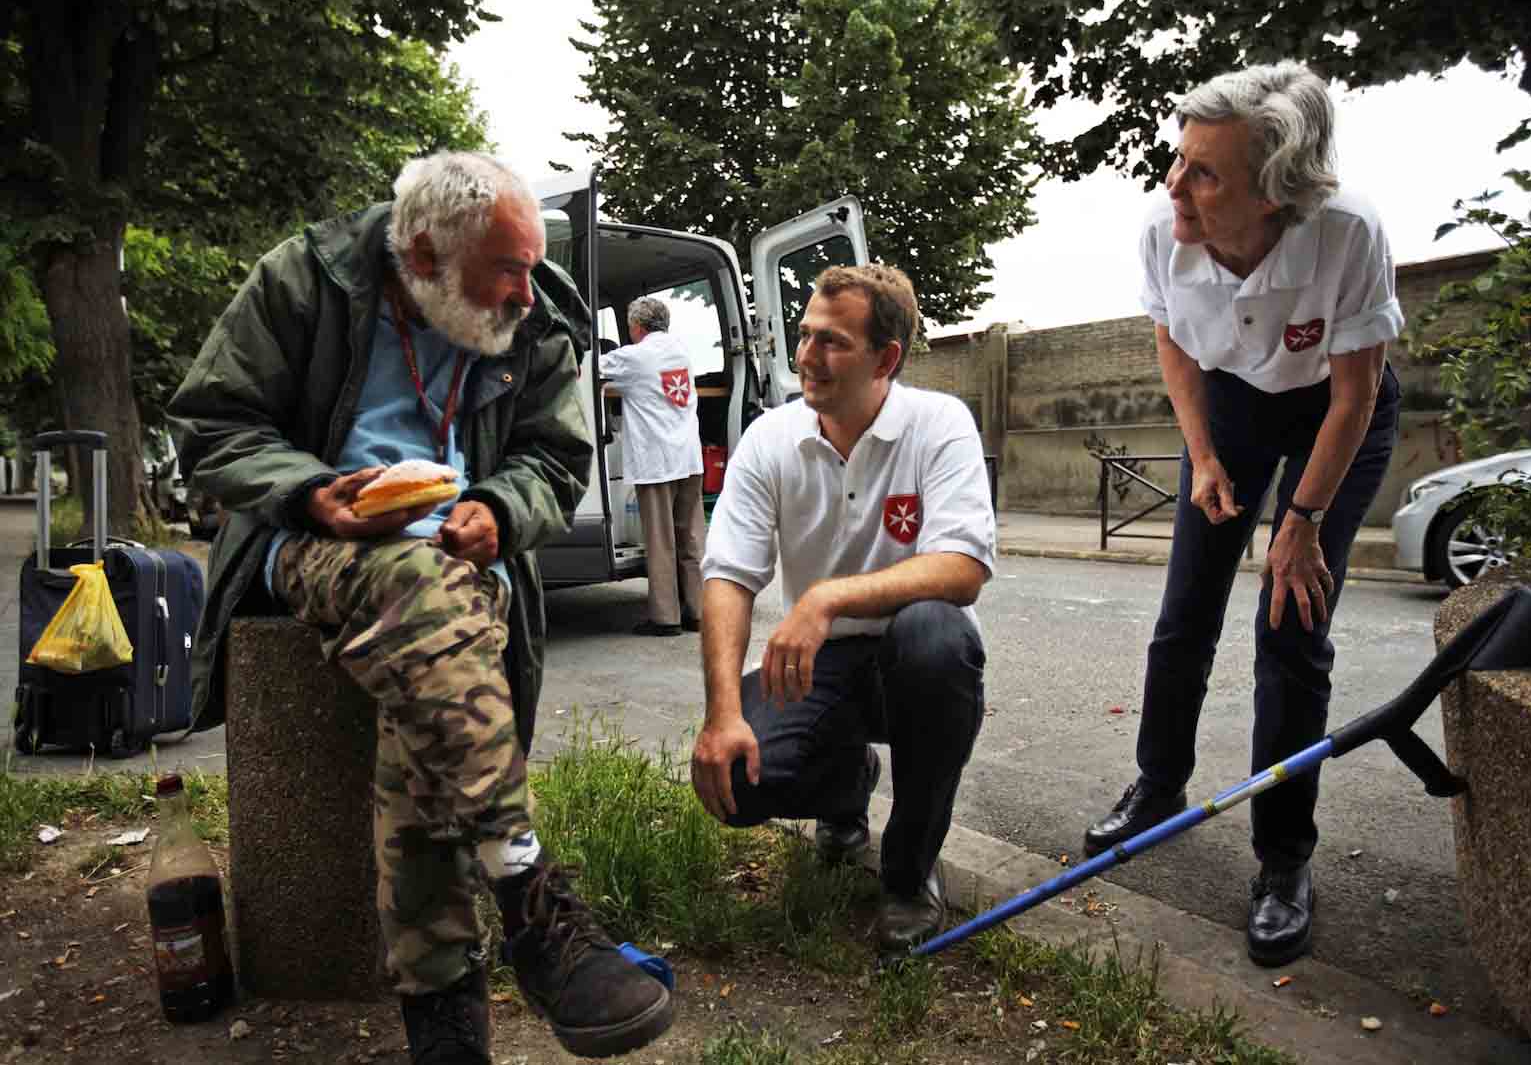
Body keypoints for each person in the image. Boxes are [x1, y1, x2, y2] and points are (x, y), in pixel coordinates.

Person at [167, 152, 673, 1063]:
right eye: (507, 269)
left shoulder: (537, 313)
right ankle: (531, 899)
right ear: (426, 253)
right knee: (415, 589)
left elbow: (555, 460)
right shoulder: (304, 277)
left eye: (530, 265)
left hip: (461, 562)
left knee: (425, 691)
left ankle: (446, 1021)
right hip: (323, 544)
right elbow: (211, 423)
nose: (526, 291)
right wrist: (311, 490)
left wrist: (503, 508)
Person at [1081, 62, 1404, 968]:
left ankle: (1284, 857)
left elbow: (1357, 394)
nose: (1174, 185)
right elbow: (1174, 341)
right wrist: (1206, 457)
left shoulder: (1346, 232)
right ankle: (1158, 785)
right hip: (1228, 406)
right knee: (1185, 611)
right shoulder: (1164, 226)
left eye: (1205, 172)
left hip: (1335, 414)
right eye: (1177, 161)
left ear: (1275, 192)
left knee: (1291, 630)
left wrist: (1299, 520)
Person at [690, 264, 995, 954]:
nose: (806, 356)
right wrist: (722, 713)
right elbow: (728, 575)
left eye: (832, 342)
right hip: (824, 666)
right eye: (804, 335)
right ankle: (847, 786)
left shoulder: (939, 424)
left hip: (914, 662)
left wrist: (826, 595)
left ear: (886, 358)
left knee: (934, 634)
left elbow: (964, 567)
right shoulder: (770, 438)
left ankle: (910, 876)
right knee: (739, 774)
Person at [599, 296, 706, 636]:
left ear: (637, 327)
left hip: (657, 462)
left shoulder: (634, 355)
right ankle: (699, 611)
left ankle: (665, 618)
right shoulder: (682, 351)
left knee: (660, 540)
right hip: (689, 458)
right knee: (690, 537)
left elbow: (590, 368)